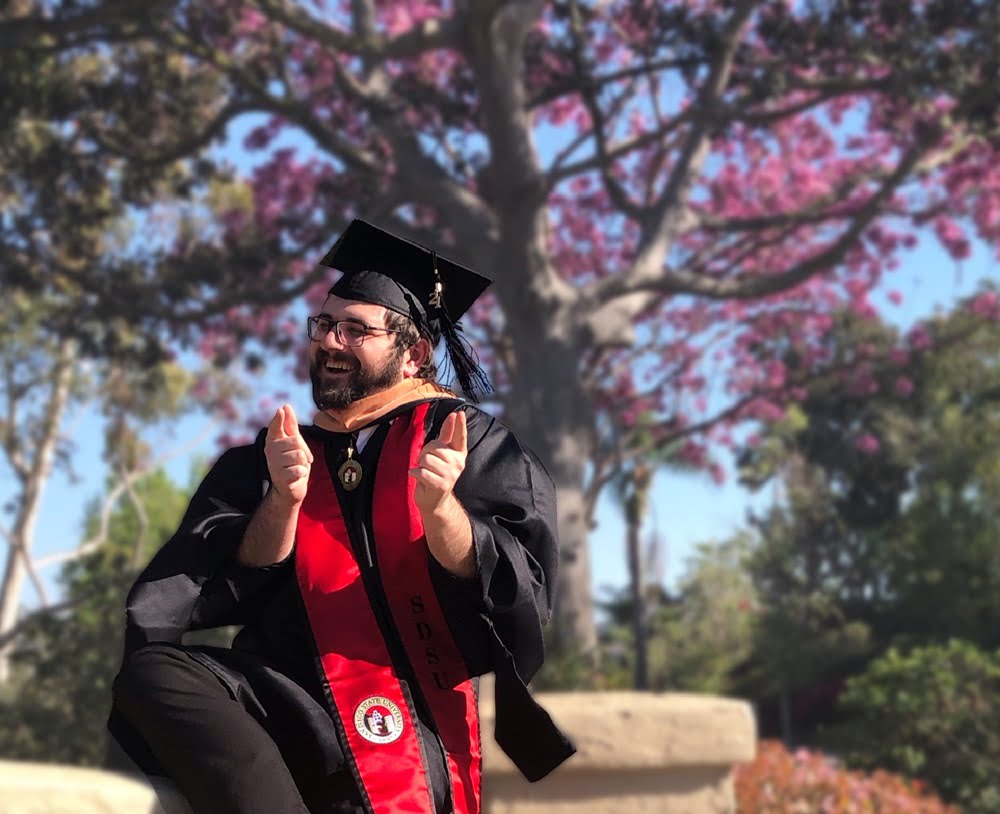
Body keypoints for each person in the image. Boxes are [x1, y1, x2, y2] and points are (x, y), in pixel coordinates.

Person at [106, 219, 576, 814]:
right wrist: (283, 500)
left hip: (402, 708)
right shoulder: (276, 453)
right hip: (279, 700)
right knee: (152, 674)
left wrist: (442, 514)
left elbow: (520, 593)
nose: (330, 341)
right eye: (324, 324)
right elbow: (210, 585)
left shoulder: (466, 441)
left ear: (414, 354)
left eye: (357, 330)